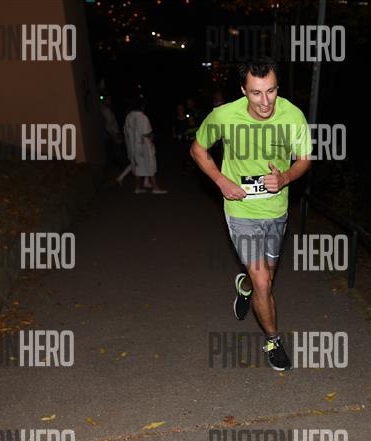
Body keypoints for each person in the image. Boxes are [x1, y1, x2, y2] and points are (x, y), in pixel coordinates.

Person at [190, 57, 312, 370]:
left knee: (265, 278)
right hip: (240, 211)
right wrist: (221, 180)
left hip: (275, 211)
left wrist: (285, 177)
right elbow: (198, 149)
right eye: (256, 93)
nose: (265, 101)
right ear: (243, 90)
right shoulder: (224, 115)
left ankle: (245, 288)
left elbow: (304, 159)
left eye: (271, 91)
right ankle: (273, 340)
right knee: (263, 283)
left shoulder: (292, 116)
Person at [123, 100, 167, 194]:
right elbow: (146, 132)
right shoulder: (142, 117)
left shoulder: (128, 117)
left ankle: (138, 188)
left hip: (133, 147)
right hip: (144, 147)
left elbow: (126, 132)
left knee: (138, 167)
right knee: (150, 165)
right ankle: (155, 187)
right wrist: (152, 136)